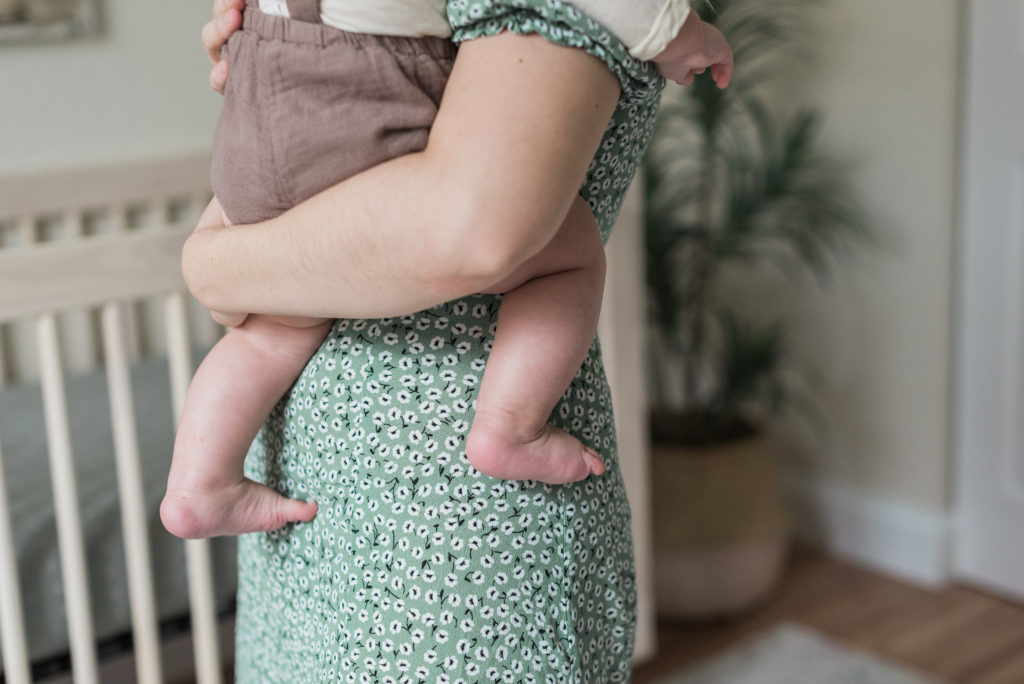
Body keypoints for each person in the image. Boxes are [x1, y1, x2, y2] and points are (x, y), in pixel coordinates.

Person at [190, 0, 732, 678]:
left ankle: (199, 478)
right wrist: (677, 31)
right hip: (434, 528)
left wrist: (209, 266)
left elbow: (459, 229)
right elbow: (474, 238)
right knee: (575, 251)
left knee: (266, 335)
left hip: (397, 528)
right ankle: (509, 423)